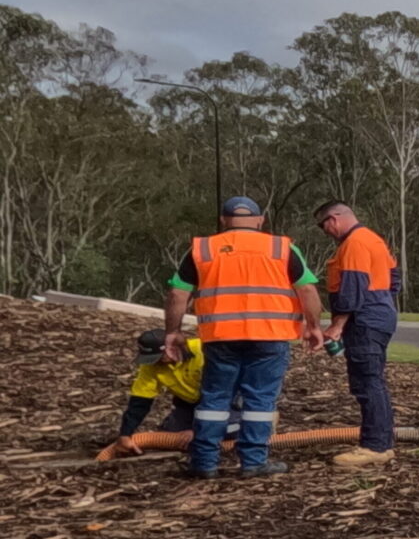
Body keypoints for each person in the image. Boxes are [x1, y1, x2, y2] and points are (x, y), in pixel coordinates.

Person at [163, 196, 324, 479]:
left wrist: (173, 332)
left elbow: (178, 294)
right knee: (260, 400)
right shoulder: (281, 247)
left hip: (220, 337)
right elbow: (308, 290)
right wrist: (313, 326)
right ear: (260, 220)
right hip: (270, 336)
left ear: (223, 220)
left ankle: (204, 463)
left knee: (214, 399)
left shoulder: (203, 248)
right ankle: (253, 462)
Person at [313, 200, 402, 467]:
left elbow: (352, 289)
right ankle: (381, 442)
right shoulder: (374, 240)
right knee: (372, 380)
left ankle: (375, 446)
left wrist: (337, 325)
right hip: (379, 314)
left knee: (367, 382)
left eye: (323, 226)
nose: (326, 232)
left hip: (364, 319)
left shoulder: (354, 244)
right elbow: (394, 278)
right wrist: (383, 304)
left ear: (334, 219)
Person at [93, 329, 215, 461]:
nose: (156, 363)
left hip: (224, 402)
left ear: (171, 347)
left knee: (214, 433)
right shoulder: (151, 367)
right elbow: (140, 402)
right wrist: (125, 434)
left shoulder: (203, 350)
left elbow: (222, 391)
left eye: (159, 357)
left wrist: (199, 430)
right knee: (174, 437)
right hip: (189, 404)